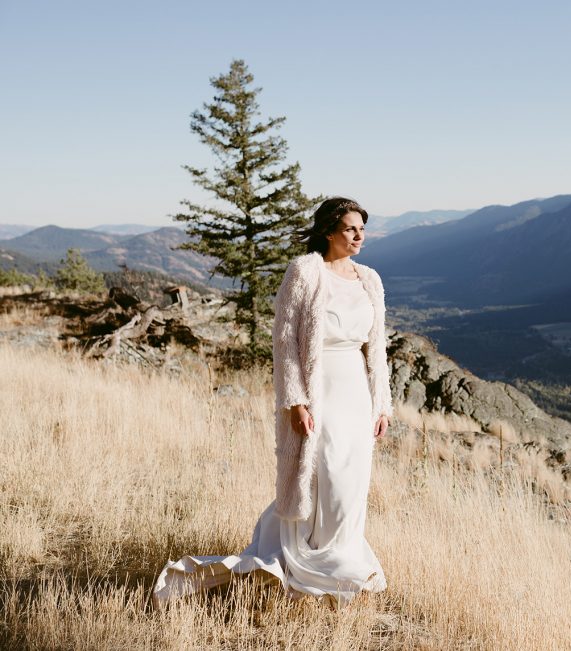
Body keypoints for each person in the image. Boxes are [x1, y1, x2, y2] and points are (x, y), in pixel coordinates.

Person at [152, 197, 394, 606]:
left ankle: (341, 561)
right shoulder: (304, 272)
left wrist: (382, 404)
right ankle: (304, 563)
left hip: (357, 391)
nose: (359, 236)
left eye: (362, 229)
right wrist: (295, 401)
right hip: (321, 392)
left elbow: (378, 347)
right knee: (324, 474)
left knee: (351, 483)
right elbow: (284, 342)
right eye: (351, 229)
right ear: (329, 231)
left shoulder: (369, 278)